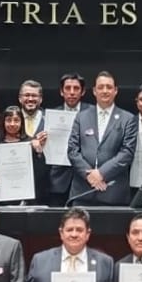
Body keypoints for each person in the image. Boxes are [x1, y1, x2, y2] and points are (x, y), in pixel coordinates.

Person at [67, 71, 138, 207]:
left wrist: (101, 173)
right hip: (82, 191)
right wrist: (90, 175)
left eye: (109, 87)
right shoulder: (81, 117)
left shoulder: (128, 119)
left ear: (115, 90)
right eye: (100, 87)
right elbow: (72, 150)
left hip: (113, 192)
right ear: (94, 91)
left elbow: (127, 153)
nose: (105, 91)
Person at [0, 105, 49, 203]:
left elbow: (41, 173)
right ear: (3, 122)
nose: (12, 124)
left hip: (26, 198)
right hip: (1, 197)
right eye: (8, 120)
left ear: (21, 123)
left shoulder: (30, 142)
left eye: (16, 120)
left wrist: (39, 151)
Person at [47, 73, 89, 205]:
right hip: (58, 179)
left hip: (86, 179)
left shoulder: (93, 113)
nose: (72, 92)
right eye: (67, 88)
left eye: (76, 88)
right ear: (61, 91)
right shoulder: (51, 115)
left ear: (83, 92)